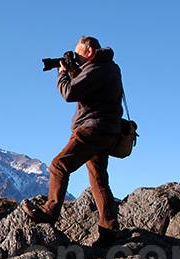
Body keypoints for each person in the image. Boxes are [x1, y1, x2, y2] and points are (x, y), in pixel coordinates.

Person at [23, 35, 124, 246]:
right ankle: (109, 230)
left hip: (92, 129)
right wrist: (73, 70)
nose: (76, 58)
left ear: (89, 52)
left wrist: (62, 74)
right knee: (98, 180)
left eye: (78, 54)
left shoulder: (97, 68)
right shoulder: (108, 68)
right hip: (107, 131)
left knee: (59, 165)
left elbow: (70, 93)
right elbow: (89, 91)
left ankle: (50, 211)